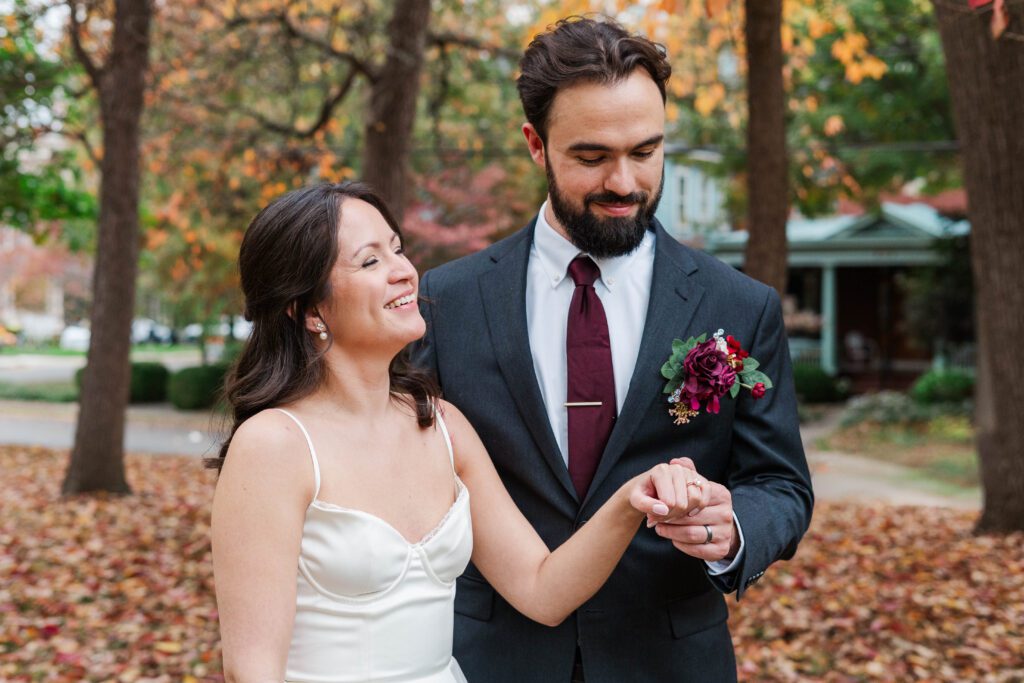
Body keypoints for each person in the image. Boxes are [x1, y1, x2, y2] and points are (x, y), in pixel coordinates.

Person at [412, 16, 814, 683]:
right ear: (536, 145)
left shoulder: (741, 307)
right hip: (489, 660)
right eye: (593, 157)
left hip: (670, 660)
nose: (625, 182)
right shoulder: (444, 304)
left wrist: (734, 523)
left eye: (646, 151)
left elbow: (782, 485)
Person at [209, 182, 710, 683]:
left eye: (398, 249)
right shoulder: (274, 446)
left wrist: (630, 500)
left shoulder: (442, 425)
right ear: (308, 310)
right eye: (369, 262)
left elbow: (541, 590)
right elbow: (251, 670)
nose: (404, 271)